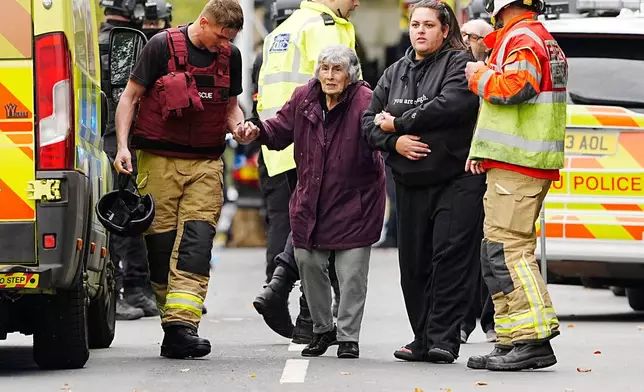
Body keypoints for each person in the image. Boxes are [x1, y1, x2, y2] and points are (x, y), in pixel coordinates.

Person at [113, 0, 245, 359]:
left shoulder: (231, 56)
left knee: (197, 243)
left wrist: (242, 128)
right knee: (160, 247)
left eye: (230, 39)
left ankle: (183, 326)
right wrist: (123, 146)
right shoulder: (160, 46)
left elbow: (232, 109)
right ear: (203, 23)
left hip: (205, 162)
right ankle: (172, 325)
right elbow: (129, 98)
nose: (225, 45)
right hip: (158, 161)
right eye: (220, 36)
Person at [237, 45, 385, 359]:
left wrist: (391, 131)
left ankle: (348, 337)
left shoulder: (364, 101)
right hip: (311, 201)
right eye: (325, 69)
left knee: (351, 274)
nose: (330, 76)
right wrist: (257, 131)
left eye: (337, 70)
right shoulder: (304, 96)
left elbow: (377, 136)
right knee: (308, 264)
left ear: (350, 74)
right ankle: (322, 330)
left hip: (355, 203)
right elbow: (279, 130)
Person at [362, 0, 484, 364]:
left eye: (429, 25)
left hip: (456, 178)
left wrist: (399, 122)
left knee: (449, 258)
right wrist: (393, 141)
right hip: (410, 182)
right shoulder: (394, 72)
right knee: (414, 265)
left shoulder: (459, 64)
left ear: (445, 30)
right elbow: (368, 123)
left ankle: (444, 339)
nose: (420, 31)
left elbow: (451, 105)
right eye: (415, 24)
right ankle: (421, 337)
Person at [464, 0, 567, 371]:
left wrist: (477, 75)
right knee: (496, 251)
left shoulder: (522, 37)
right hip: (514, 163)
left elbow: (515, 88)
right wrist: (482, 150)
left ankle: (532, 340)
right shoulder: (521, 35)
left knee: (509, 251)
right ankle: (510, 339)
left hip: (519, 165)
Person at [252, 0, 361, 345]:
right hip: (316, 139)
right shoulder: (326, 27)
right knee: (319, 226)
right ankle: (300, 308)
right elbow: (336, 86)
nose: (357, 3)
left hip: (281, 141)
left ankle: (292, 304)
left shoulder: (281, 30)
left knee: (291, 222)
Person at [99, 0, 159, 321]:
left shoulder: (101, 41)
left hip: (108, 137)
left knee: (127, 211)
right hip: (118, 139)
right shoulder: (126, 45)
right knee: (121, 215)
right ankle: (122, 287)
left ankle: (133, 287)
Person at [459, 17, 496, 344]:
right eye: (464, 34)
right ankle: (463, 321)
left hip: (492, 169)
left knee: (490, 248)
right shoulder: (457, 72)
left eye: (473, 36)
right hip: (463, 171)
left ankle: (490, 320)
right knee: (464, 249)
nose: (467, 40)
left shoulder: (493, 73)